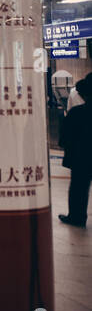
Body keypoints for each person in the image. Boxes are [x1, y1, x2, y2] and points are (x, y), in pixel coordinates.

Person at [59, 76, 92, 227]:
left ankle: (77, 217)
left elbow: (63, 140)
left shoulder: (76, 114)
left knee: (79, 188)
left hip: (81, 159)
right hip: (81, 157)